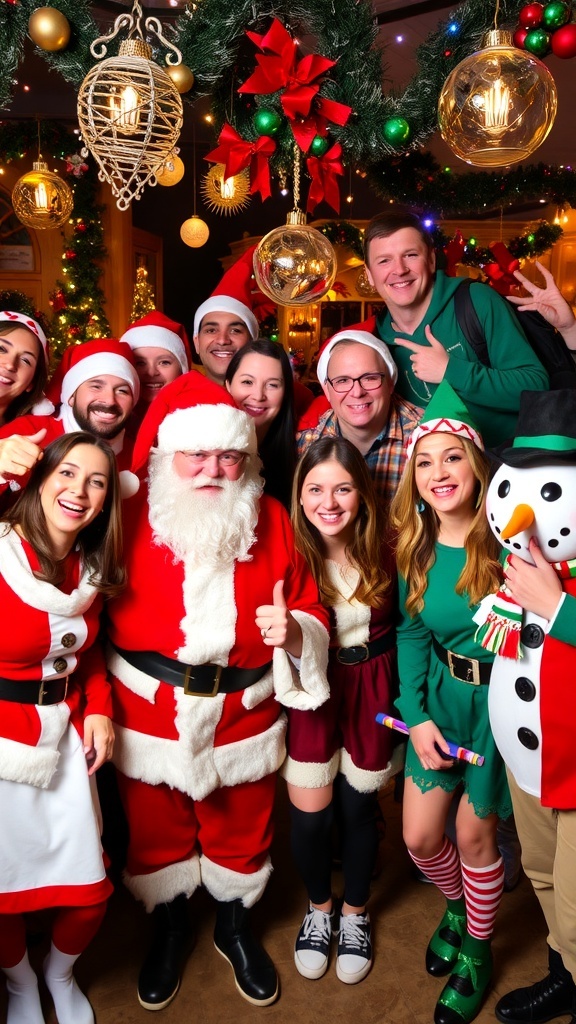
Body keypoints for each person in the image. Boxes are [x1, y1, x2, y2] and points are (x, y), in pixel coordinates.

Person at [105, 372, 330, 1012]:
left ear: (246, 459)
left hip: (243, 714)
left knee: (243, 830)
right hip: (147, 711)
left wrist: (296, 631)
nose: (213, 470)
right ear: (166, 456)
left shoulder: (275, 517)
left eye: (229, 456)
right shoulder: (123, 513)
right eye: (196, 455)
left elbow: (311, 606)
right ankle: (170, 928)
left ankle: (235, 927)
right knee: (156, 835)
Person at [389, 380, 511, 1024]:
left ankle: (478, 952)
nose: (439, 473)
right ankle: (459, 908)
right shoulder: (414, 546)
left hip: (502, 709)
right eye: (425, 462)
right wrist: (416, 717)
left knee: (473, 833)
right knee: (419, 835)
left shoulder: (511, 542)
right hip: (441, 698)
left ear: (477, 465)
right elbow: (412, 635)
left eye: (452, 457)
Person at [0, 431, 125, 1024]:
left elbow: (85, 651)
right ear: (41, 479)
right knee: (4, 889)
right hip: (3, 740)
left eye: (97, 482)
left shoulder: (89, 568)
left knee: (88, 886)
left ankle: (59, 973)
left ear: (104, 504)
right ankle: (22, 984)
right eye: (68, 473)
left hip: (65, 735)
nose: (79, 490)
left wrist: (100, 706)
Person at [477, 389, 576, 1024]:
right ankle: (564, 976)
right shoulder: (515, 565)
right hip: (526, 758)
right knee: (541, 872)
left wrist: (558, 608)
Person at [286, 436, 399, 986]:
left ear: (362, 494)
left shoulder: (390, 545)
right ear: (300, 495)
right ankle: (319, 908)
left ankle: (355, 913)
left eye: (343, 488)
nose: (328, 502)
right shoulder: (290, 551)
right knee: (311, 818)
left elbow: (413, 626)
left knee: (358, 811)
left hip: (373, 684)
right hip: (314, 687)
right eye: (315, 489)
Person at [363, 210, 549, 447]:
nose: (399, 270)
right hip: (435, 468)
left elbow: (536, 386)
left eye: (410, 255)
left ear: (431, 260)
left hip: (509, 462)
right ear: (369, 275)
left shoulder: (476, 301)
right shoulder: (375, 341)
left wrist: (451, 371)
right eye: (384, 260)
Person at [296, 329, 422, 509]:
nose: (357, 392)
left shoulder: (424, 440)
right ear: (327, 390)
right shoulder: (304, 445)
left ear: (390, 383)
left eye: (370, 378)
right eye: (343, 381)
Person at [0, 338, 140, 492]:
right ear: (71, 396)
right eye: (96, 386)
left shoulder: (141, 457)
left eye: (122, 391)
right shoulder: (27, 431)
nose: (109, 400)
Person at [225, 338, 296, 509]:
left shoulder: (301, 450)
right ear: (228, 385)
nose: (258, 396)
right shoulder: (207, 449)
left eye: (272, 385)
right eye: (247, 382)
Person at [120, 310, 190, 427]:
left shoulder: (199, 414)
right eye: (140, 363)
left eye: (164, 362)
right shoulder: (113, 417)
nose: (151, 372)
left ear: (182, 369)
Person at [0, 310, 51, 427]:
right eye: (1, 349)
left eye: (26, 360)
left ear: (31, 382)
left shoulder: (28, 433)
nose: (10, 365)